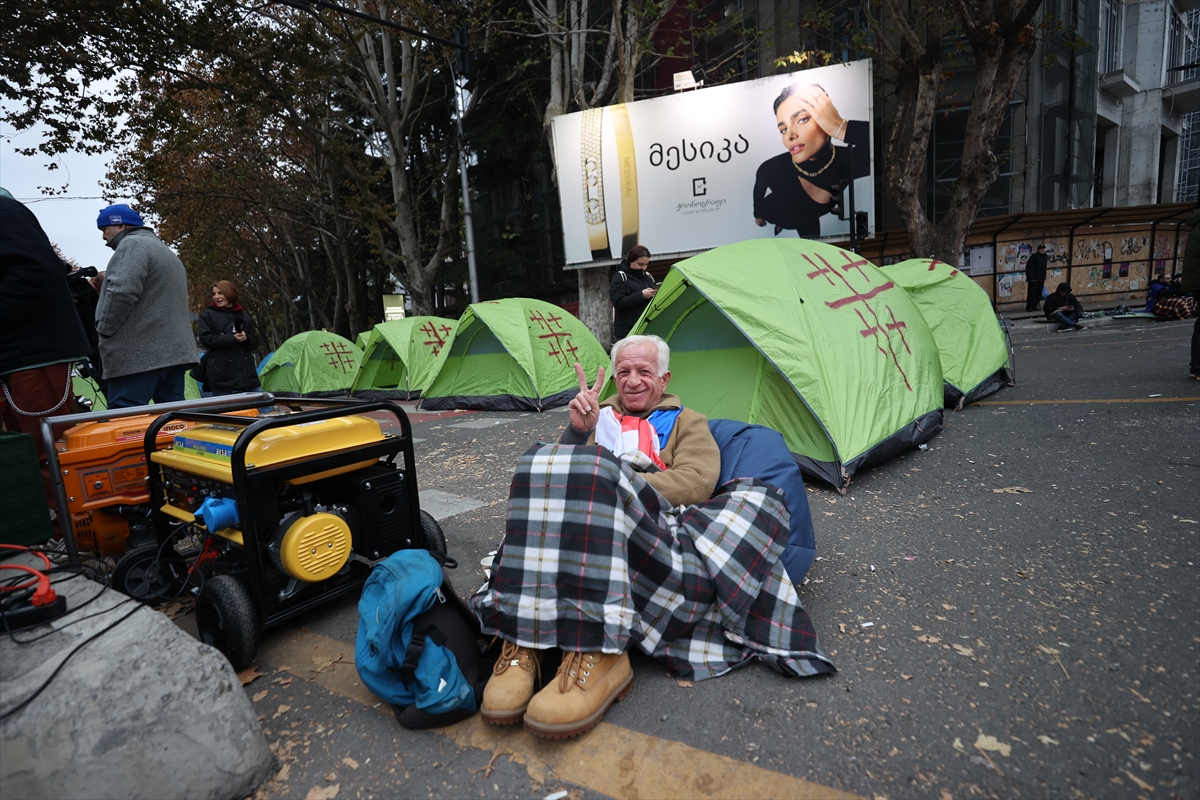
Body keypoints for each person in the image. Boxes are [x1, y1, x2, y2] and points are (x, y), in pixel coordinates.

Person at [469, 334, 834, 740]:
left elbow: (696, 482)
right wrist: (576, 433)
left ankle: (600, 650)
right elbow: (556, 484)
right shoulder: (597, 416)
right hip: (589, 518)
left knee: (594, 476)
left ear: (664, 379)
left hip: (654, 527)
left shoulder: (685, 421)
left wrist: (620, 483)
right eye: (623, 372)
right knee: (536, 461)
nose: (632, 381)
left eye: (644, 372)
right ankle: (524, 640)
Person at [0, 188, 91, 509]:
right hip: (14, 357)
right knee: (20, 451)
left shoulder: (5, 213)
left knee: (48, 450)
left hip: (32, 355)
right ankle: (50, 526)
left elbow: (35, 275)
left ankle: (75, 525)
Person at [92, 204, 198, 408]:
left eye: (104, 229)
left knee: (125, 423)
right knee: (173, 421)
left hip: (139, 357)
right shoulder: (162, 250)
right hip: (173, 354)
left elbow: (121, 292)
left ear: (120, 225)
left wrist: (103, 329)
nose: (104, 237)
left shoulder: (132, 245)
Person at [752, 84, 869, 237]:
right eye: (783, 129)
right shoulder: (771, 168)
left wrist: (839, 127)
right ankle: (781, 224)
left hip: (806, 220)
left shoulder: (848, 161)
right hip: (776, 212)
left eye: (802, 120)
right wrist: (758, 214)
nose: (790, 136)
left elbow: (885, 144)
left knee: (809, 236)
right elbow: (759, 191)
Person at [198, 280, 262, 395]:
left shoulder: (245, 317)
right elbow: (206, 339)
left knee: (263, 406)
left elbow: (255, 343)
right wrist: (232, 338)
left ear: (230, 293)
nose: (217, 297)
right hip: (221, 376)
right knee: (226, 411)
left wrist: (246, 339)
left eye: (220, 293)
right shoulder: (207, 316)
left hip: (246, 376)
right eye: (214, 294)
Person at [609, 245, 657, 341]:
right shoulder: (620, 277)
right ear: (631, 261)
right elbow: (618, 303)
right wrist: (641, 295)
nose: (644, 268)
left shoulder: (648, 276)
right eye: (640, 264)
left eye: (646, 264)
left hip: (648, 328)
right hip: (629, 331)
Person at [1025, 244, 1048, 312]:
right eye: (1041, 249)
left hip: (1041, 278)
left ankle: (1035, 305)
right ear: (1038, 249)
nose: (1042, 250)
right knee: (1032, 293)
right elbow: (1029, 267)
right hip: (1034, 279)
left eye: (1043, 248)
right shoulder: (1034, 257)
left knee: (1038, 293)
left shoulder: (1045, 257)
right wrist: (1030, 276)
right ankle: (1029, 307)